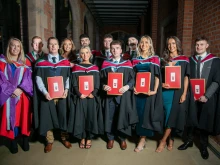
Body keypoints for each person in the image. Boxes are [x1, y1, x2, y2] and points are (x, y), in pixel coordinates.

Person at [178, 36, 220, 160]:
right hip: (192, 96)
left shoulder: (216, 61)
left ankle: (203, 146)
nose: (199, 47)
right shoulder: (191, 60)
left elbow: (217, 81)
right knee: (190, 119)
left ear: (207, 45)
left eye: (202, 44)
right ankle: (189, 141)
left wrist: (207, 96)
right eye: (197, 45)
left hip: (207, 97)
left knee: (204, 122)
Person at [34, 37, 72, 153]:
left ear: (58, 46)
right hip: (48, 95)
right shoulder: (41, 62)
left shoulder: (64, 62)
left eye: (55, 44)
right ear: (47, 46)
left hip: (62, 95)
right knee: (47, 117)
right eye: (50, 44)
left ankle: (64, 137)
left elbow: (68, 77)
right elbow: (38, 78)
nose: (53, 46)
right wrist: (44, 92)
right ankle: (49, 140)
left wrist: (66, 89)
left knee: (63, 115)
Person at [100, 40, 138, 150]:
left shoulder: (127, 63)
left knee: (122, 117)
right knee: (110, 117)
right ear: (110, 50)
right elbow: (101, 80)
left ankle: (122, 139)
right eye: (113, 48)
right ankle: (110, 138)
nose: (115, 50)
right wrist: (104, 86)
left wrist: (126, 87)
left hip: (123, 96)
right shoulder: (105, 64)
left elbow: (132, 79)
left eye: (117, 48)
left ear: (121, 50)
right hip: (110, 97)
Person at [155, 36, 191, 153]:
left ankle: (163, 140)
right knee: (166, 116)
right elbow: (158, 77)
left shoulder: (184, 59)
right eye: (169, 44)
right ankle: (171, 139)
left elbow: (186, 77)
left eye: (174, 43)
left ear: (178, 44)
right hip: (165, 92)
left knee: (172, 115)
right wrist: (162, 83)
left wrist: (184, 93)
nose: (171, 46)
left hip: (176, 92)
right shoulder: (163, 60)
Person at [0, 38, 33, 154]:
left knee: (23, 117)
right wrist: (11, 90)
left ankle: (25, 139)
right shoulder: (2, 62)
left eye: (18, 46)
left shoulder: (25, 63)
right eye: (13, 46)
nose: (15, 48)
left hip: (22, 96)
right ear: (9, 47)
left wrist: (20, 89)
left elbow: (28, 80)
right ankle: (12, 141)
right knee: (10, 119)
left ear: (21, 49)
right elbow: (1, 80)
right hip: (8, 97)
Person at [131, 35, 163, 152]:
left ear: (150, 44)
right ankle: (141, 137)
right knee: (139, 113)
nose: (143, 45)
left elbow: (157, 75)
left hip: (149, 91)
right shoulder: (135, 60)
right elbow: (133, 76)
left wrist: (154, 89)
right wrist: (134, 87)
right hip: (138, 91)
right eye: (142, 42)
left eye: (146, 42)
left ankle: (142, 140)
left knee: (146, 114)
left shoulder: (154, 58)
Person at [70, 46, 103, 149]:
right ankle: (82, 137)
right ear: (80, 55)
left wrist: (94, 92)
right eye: (82, 53)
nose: (84, 55)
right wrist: (79, 94)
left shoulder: (95, 68)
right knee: (81, 117)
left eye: (86, 53)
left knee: (90, 117)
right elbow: (74, 83)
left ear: (90, 54)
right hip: (81, 96)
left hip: (91, 97)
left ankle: (89, 137)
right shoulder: (76, 68)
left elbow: (97, 83)